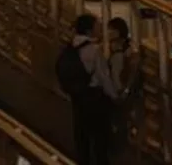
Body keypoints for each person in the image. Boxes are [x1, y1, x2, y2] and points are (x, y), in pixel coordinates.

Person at [56, 13, 119, 165]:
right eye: (97, 27)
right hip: (95, 98)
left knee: (82, 138)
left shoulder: (71, 46)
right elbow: (103, 77)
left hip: (79, 98)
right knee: (100, 140)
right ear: (90, 30)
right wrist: (115, 97)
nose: (100, 30)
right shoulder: (94, 50)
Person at [107, 17, 140, 156]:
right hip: (116, 91)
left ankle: (122, 151)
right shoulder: (113, 47)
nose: (108, 33)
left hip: (122, 92)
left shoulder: (128, 50)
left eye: (111, 30)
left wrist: (125, 90)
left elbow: (132, 70)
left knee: (122, 122)